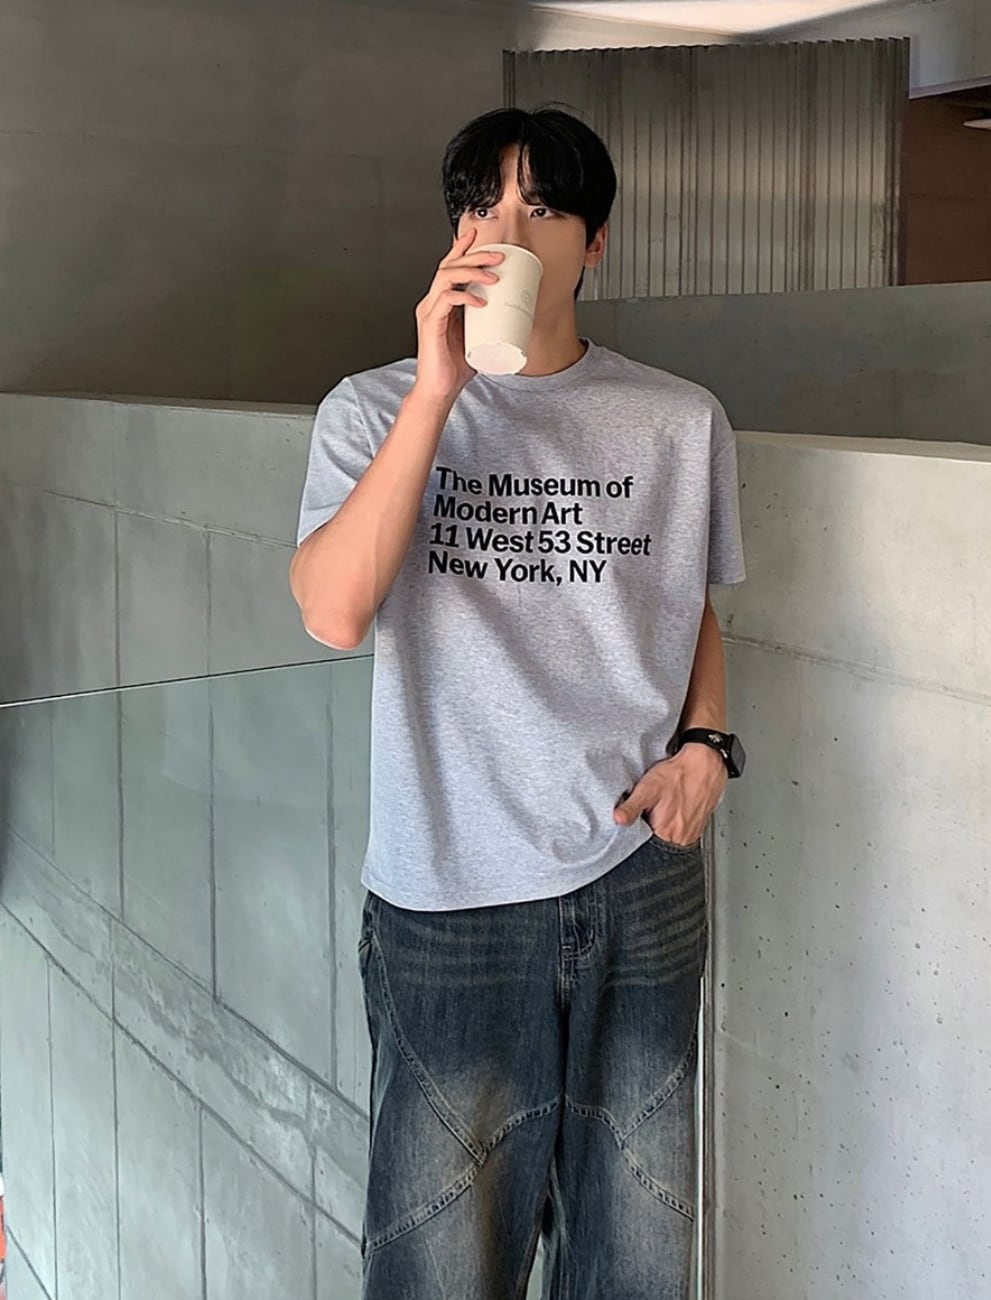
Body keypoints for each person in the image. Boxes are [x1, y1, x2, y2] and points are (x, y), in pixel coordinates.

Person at [290, 105, 746, 1300]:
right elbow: (333, 611)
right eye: (479, 204)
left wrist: (705, 742)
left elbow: (686, 597)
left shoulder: (677, 418)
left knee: (635, 1257)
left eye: (539, 206)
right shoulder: (370, 410)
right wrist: (435, 392)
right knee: (441, 1266)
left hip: (639, 874)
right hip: (451, 894)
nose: (502, 230)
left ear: (592, 245)